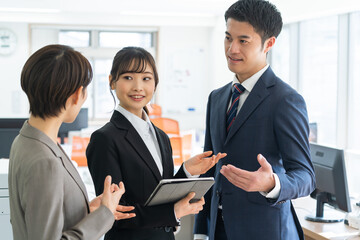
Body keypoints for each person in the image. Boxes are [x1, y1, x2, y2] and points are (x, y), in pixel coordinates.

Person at [193, 0, 316, 239]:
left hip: (265, 231)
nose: (232, 49)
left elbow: (306, 176)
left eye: (243, 41)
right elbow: (209, 170)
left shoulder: (286, 100)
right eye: (228, 38)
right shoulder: (217, 98)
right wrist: (201, 230)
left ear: (268, 43)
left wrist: (272, 183)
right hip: (218, 229)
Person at [86, 46, 226, 240]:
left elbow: (162, 193)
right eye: (128, 77)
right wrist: (173, 213)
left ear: (155, 84)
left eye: (146, 78)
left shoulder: (161, 137)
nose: (138, 87)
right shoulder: (104, 138)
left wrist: (186, 171)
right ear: (112, 82)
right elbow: (116, 212)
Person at [8, 44, 135, 240]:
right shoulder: (45, 161)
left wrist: (84, 210)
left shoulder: (25, 140)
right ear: (77, 94)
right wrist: (105, 214)